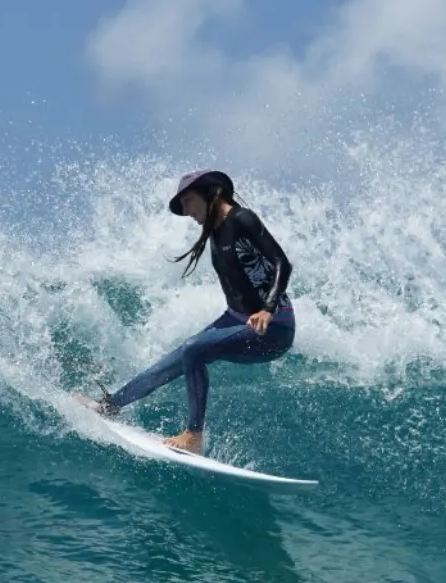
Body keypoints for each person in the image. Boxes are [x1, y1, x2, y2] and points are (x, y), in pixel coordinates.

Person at [82, 170, 295, 455]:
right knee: (179, 356)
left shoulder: (243, 220)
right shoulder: (216, 231)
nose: (186, 211)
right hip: (235, 319)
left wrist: (267, 309)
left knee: (194, 349)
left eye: (188, 202)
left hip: (273, 328)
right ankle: (109, 407)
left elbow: (282, 262)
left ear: (210, 193)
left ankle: (194, 435)